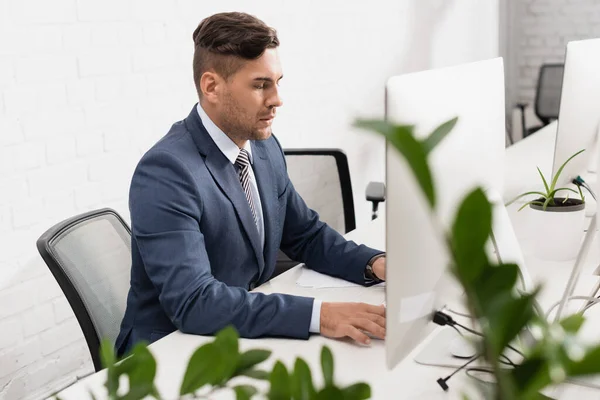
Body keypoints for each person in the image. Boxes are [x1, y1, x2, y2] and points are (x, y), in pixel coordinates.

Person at [115, 11, 387, 356]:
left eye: (277, 82)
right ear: (211, 86)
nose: (276, 99)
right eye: (260, 85)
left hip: (237, 331)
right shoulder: (166, 172)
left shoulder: (262, 146)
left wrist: (375, 264)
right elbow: (194, 302)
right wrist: (321, 315)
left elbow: (306, 235)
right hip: (168, 352)